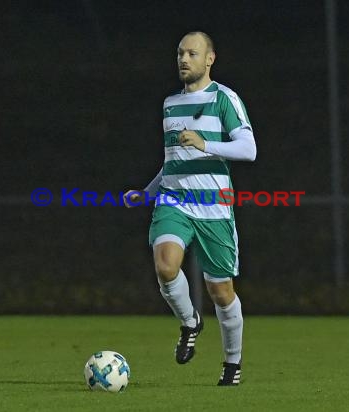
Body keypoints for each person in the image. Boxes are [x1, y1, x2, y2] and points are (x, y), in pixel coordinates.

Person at [124, 31, 256, 386]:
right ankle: (190, 321)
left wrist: (206, 143)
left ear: (209, 59)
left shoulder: (224, 98)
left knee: (221, 292)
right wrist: (148, 192)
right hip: (175, 201)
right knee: (166, 266)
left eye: (192, 54)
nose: (184, 59)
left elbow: (249, 149)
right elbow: (173, 162)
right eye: (180, 53)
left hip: (214, 209)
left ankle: (232, 364)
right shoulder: (169, 104)